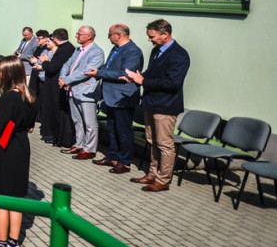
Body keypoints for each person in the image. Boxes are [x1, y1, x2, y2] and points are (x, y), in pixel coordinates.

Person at [0, 57, 38, 247]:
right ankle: (15, 245)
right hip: (22, 147)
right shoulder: (30, 96)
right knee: (17, 199)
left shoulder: (7, 98)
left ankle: (1, 246)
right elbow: (31, 127)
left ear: (8, 74)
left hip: (5, 150)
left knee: (1, 200)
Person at [124, 19, 191, 192]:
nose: (149, 40)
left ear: (165, 34)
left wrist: (144, 80)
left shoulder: (179, 55)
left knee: (164, 144)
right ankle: (152, 174)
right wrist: (136, 77)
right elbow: (151, 73)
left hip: (165, 106)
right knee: (152, 141)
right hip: (151, 103)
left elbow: (173, 82)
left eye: (152, 37)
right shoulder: (156, 51)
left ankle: (163, 179)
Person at [88, 25, 143, 174]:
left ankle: (125, 162)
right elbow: (108, 67)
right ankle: (112, 157)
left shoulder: (132, 51)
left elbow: (124, 74)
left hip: (123, 97)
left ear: (118, 35)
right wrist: (98, 73)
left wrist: (100, 73)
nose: (108, 37)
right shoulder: (116, 49)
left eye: (110, 34)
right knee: (112, 129)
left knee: (123, 131)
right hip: (111, 96)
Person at [58, 26, 105, 161]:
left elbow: (85, 71)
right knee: (77, 120)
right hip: (73, 89)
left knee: (90, 123)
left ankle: (89, 149)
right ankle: (79, 144)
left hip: (86, 91)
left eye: (79, 34)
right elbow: (67, 64)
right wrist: (62, 79)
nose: (76, 36)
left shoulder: (97, 52)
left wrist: (66, 80)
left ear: (89, 36)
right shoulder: (78, 50)